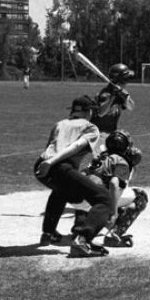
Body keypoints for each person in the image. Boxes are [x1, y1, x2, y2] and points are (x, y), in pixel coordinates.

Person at [34, 95, 114, 258]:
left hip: (41, 165)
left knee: (61, 191)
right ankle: (82, 240)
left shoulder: (60, 124)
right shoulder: (91, 127)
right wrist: (52, 162)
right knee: (104, 199)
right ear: (90, 111)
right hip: (58, 166)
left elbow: (50, 147)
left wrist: (48, 163)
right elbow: (76, 146)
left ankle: (48, 234)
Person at [70, 129, 148, 248]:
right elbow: (113, 184)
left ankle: (80, 228)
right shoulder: (122, 162)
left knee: (95, 190)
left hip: (76, 198)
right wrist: (114, 212)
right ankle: (113, 235)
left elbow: (81, 175)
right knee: (140, 195)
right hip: (98, 199)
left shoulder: (99, 158)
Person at [90, 63, 136, 151]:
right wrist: (113, 96)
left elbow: (131, 107)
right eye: (126, 79)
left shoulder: (120, 93)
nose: (128, 82)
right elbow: (101, 113)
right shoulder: (105, 95)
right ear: (121, 80)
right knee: (104, 157)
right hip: (98, 135)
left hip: (110, 134)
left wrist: (125, 96)